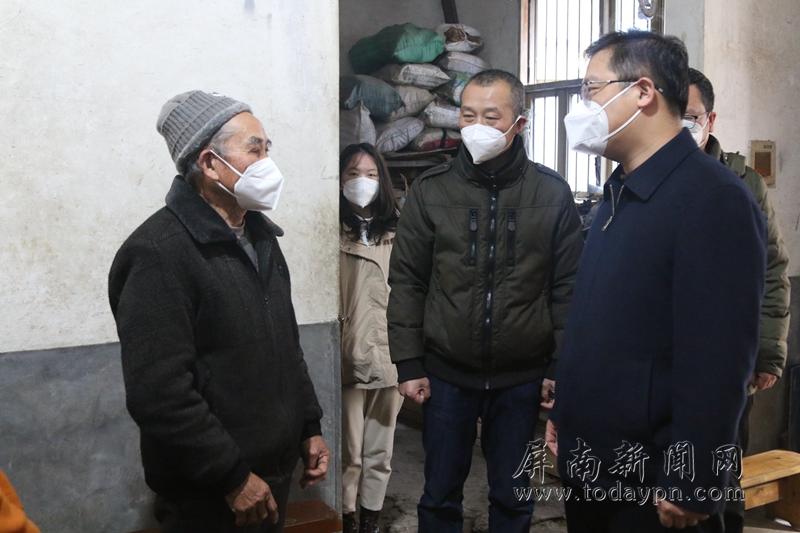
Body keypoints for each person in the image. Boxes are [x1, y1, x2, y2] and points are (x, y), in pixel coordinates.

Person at [548, 31, 767, 532]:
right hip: (597, 463)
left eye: (591, 89)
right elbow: (597, 323)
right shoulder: (621, 191)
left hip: (655, 481)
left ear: (643, 92)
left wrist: (694, 479)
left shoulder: (713, 199)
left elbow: (718, 357)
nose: (583, 105)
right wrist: (567, 413)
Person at [108, 90, 330, 533]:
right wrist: (230, 476)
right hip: (213, 493)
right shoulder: (157, 253)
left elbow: (286, 345)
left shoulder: (261, 237)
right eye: (254, 150)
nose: (267, 162)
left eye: (267, 149)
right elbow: (160, 394)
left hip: (272, 474)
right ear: (210, 164)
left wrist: (309, 425)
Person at [387, 69, 584, 533]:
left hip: (522, 377)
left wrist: (558, 365)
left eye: (491, 117)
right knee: (439, 494)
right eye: (467, 115)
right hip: (446, 373)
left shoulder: (551, 192)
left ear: (520, 122)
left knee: (513, 497)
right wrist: (409, 362)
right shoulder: (432, 190)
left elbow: (568, 286)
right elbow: (409, 280)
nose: (476, 126)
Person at [686, 67, 791, 533]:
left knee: (722, 476)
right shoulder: (640, 174)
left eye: (691, 116)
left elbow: (772, 269)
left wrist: (767, 352)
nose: (682, 125)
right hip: (662, 362)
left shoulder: (743, 183)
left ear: (710, 120)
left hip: (727, 362)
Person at [338, 143, 404, 533]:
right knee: (349, 452)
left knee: (381, 450)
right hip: (347, 354)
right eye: (352, 173)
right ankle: (346, 517)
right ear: (339, 180)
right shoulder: (328, 230)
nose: (362, 181)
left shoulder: (400, 231)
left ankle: (370, 518)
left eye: (371, 174)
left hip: (391, 355)